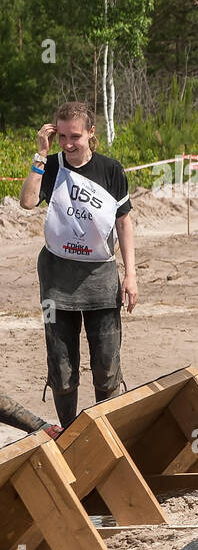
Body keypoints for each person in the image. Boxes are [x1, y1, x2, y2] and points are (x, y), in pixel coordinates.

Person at [18, 102, 137, 428]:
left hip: (101, 278)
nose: (68, 144)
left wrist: (131, 275)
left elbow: (124, 223)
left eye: (76, 137)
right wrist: (41, 155)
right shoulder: (52, 166)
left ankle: (105, 433)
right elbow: (27, 201)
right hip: (58, 279)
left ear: (91, 133)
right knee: (62, 363)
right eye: (62, 137)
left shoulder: (111, 170)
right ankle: (69, 433)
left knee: (106, 363)